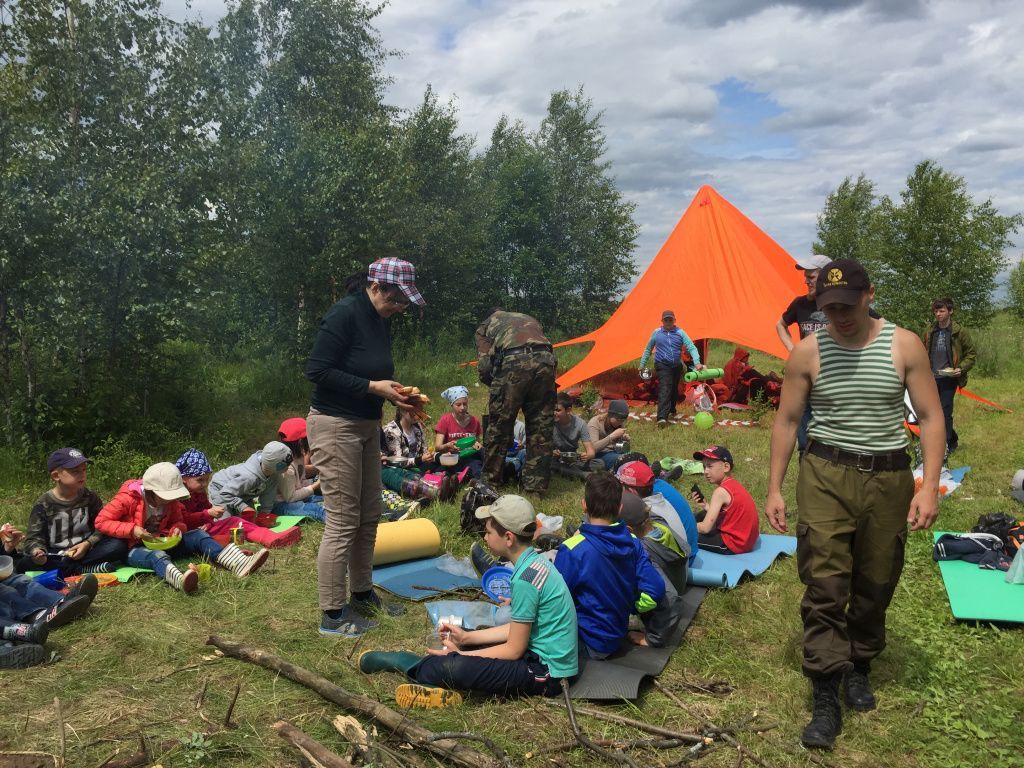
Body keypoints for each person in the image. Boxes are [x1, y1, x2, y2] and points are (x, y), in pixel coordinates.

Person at [765, 258, 944, 750]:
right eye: (829, 307)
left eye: (847, 305)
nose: (839, 316)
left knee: (877, 576)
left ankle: (859, 663)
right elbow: (785, 421)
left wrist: (927, 486)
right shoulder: (807, 352)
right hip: (824, 473)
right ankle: (825, 689)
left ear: (869, 296)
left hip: (888, 477)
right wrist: (775, 487)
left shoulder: (903, 344)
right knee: (825, 580)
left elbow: (930, 417)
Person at [357, 495, 578, 708]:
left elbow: (513, 650)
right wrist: (468, 636)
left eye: (489, 532)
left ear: (508, 538)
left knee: (457, 665)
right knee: (466, 638)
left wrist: (460, 655)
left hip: (548, 674)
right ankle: (440, 674)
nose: (485, 537)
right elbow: (518, 628)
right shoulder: (534, 564)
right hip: (535, 652)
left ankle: (415, 666)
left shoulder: (525, 580)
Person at [306, 256, 421, 636]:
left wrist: (396, 395)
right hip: (335, 425)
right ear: (376, 287)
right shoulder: (344, 314)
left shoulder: (378, 319)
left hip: (367, 425)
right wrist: (374, 387)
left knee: (370, 512)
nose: (400, 308)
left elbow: (370, 370)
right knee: (342, 518)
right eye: (397, 300)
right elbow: (318, 370)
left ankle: (361, 592)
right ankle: (332, 615)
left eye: (404, 302)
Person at [95, 462, 269, 594]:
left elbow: (179, 521)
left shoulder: (171, 503)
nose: (171, 500)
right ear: (151, 491)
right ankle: (179, 580)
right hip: (134, 548)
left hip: (163, 540)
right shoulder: (128, 498)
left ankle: (238, 563)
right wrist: (132, 530)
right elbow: (101, 522)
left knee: (198, 535)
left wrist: (177, 529)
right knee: (157, 556)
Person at [554, 472, 664, 658]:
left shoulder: (572, 549)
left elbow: (554, 600)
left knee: (509, 618)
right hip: (616, 636)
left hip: (586, 641)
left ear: (584, 505)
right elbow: (656, 590)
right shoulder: (633, 541)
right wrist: (631, 606)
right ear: (619, 508)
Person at [475, 308, 557, 494]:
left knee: (499, 426)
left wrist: (496, 390)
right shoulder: (528, 318)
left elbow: (485, 367)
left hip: (514, 360)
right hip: (546, 359)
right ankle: (535, 488)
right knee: (541, 426)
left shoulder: (484, 327)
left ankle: (489, 483)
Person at [17, 448, 127, 575]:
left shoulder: (90, 497)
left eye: (84, 470)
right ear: (56, 476)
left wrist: (87, 544)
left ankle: (70, 569)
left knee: (118, 545)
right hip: (57, 554)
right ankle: (83, 569)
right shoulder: (43, 504)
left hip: (86, 550)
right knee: (24, 563)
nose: (82, 474)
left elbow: (102, 526)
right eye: (75, 471)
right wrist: (38, 550)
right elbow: (33, 538)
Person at [175, 448, 301, 549]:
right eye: (200, 480)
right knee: (225, 529)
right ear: (184, 478)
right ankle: (231, 546)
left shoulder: (199, 492)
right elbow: (183, 521)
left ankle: (270, 538)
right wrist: (207, 514)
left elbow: (208, 512)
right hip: (191, 535)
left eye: (206, 479)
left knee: (236, 522)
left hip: (205, 527)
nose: (205, 484)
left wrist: (208, 520)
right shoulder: (177, 497)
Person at [618, 492, 687, 648]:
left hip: (662, 601)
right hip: (677, 576)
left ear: (627, 529)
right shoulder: (656, 521)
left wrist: (653, 638)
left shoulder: (642, 552)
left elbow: (671, 598)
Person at [616, 460, 697, 565]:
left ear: (632, 491)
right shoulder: (662, 500)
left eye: (621, 486)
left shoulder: (642, 514)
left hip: (675, 571)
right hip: (684, 560)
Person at [922, 297, 976, 455]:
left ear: (950, 311)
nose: (938, 314)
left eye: (941, 311)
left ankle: (945, 446)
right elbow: (921, 352)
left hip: (949, 379)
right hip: (930, 378)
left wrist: (961, 368)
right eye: (936, 311)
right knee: (930, 413)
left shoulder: (959, 332)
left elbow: (971, 354)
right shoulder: (929, 331)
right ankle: (949, 438)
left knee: (945, 412)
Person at [638, 309, 705, 427]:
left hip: (676, 366)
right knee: (665, 387)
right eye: (666, 320)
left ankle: (672, 410)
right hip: (662, 365)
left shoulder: (680, 332)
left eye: (670, 319)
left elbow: (691, 347)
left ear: (674, 320)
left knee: (674, 389)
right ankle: (662, 418)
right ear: (662, 321)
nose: (668, 322)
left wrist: (697, 363)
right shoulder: (656, 332)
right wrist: (642, 365)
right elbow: (648, 349)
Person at [688, 445, 759, 555]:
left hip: (734, 544)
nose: (705, 471)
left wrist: (684, 524)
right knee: (702, 514)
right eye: (704, 466)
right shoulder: (732, 484)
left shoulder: (720, 492)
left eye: (710, 466)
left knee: (685, 535)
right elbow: (729, 512)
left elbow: (706, 528)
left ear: (726, 467)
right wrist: (705, 505)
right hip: (747, 540)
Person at [207, 441, 296, 524]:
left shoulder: (273, 474)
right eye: (286, 465)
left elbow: (268, 497)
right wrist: (243, 507)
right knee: (226, 524)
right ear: (276, 466)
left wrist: (264, 515)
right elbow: (225, 493)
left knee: (249, 521)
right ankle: (208, 517)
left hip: (243, 495)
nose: (288, 467)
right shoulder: (249, 477)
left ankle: (235, 509)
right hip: (221, 490)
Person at [433, 385, 483, 478]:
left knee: (480, 457)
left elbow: (477, 442)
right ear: (452, 405)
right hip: (453, 457)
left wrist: (477, 445)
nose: (462, 407)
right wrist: (448, 446)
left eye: (465, 404)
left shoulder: (474, 421)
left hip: (470, 456)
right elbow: (437, 447)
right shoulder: (445, 420)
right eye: (458, 404)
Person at [551, 393, 603, 479]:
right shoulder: (549, 422)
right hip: (555, 458)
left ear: (568, 410)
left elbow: (591, 452)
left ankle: (566, 471)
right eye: (553, 410)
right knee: (547, 462)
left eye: (558, 410)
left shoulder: (580, 424)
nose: (554, 413)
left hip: (572, 459)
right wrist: (550, 451)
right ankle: (583, 475)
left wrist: (587, 456)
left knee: (600, 463)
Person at [587, 399, 631, 470]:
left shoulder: (619, 423)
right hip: (600, 454)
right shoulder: (594, 423)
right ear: (610, 415)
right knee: (626, 459)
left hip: (615, 452)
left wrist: (625, 440)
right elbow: (592, 448)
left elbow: (620, 447)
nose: (620, 422)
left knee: (635, 457)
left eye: (623, 420)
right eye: (618, 420)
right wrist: (612, 436)